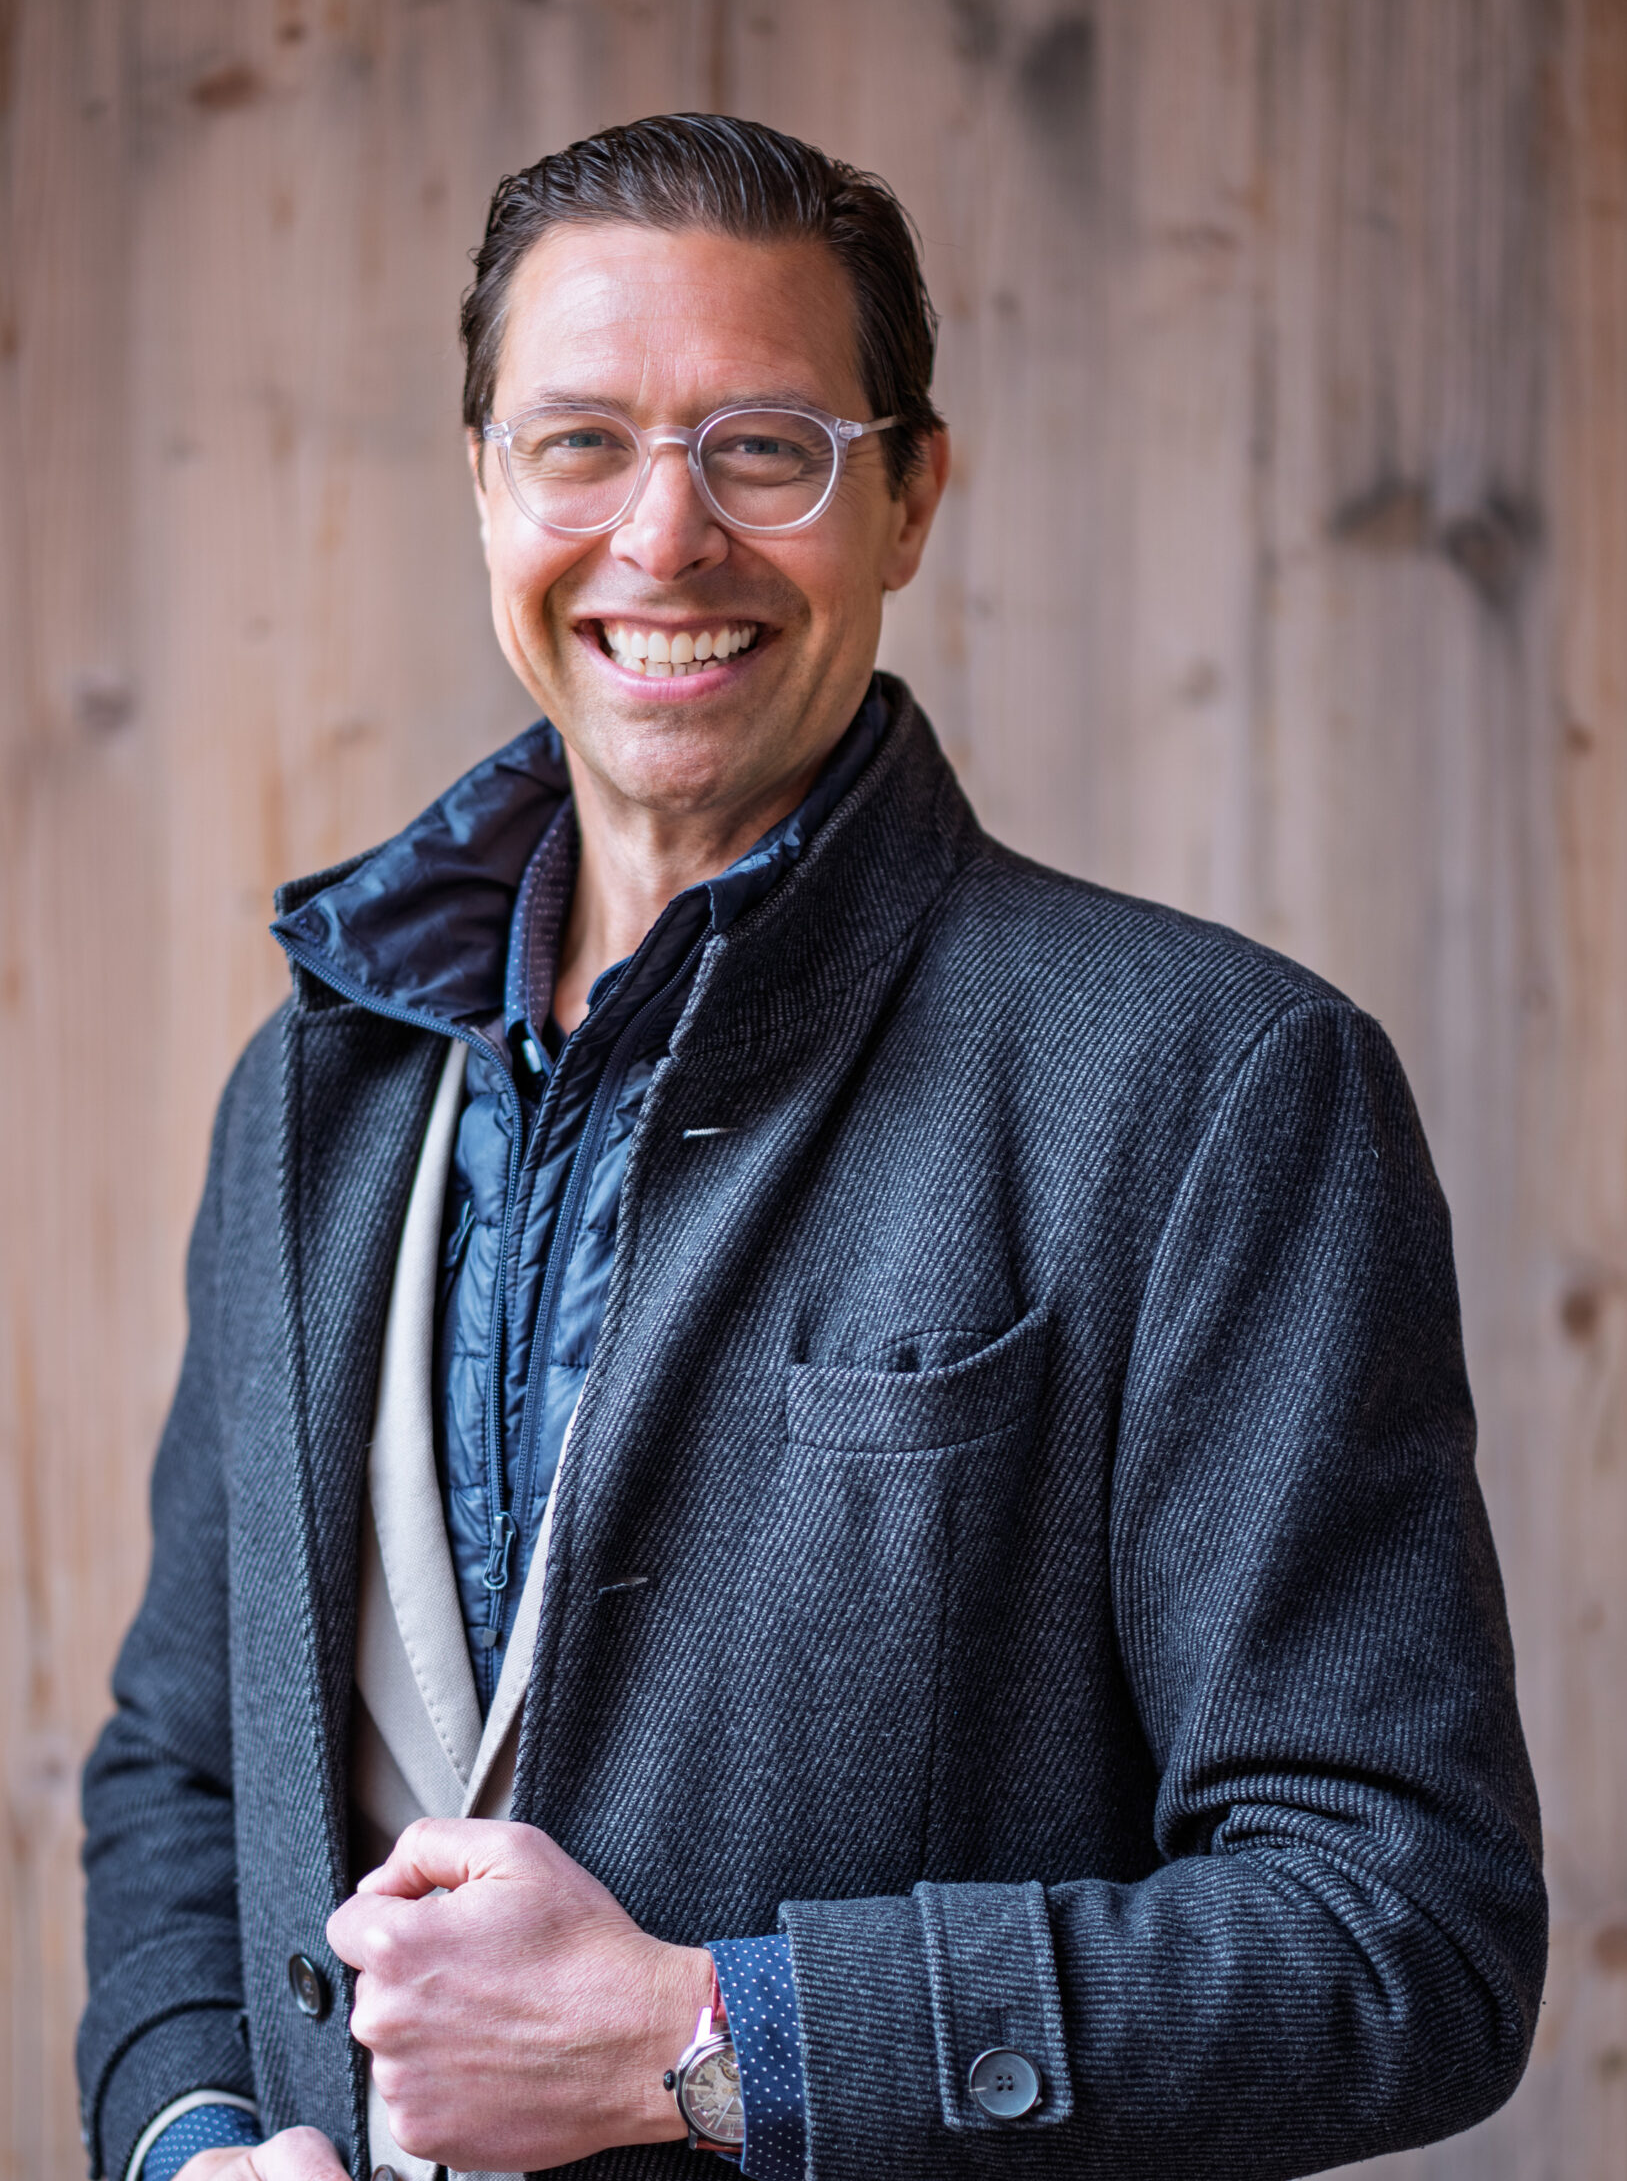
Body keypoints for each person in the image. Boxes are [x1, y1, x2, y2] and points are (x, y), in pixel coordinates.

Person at [78, 115, 1545, 2181]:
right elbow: (183, 1767)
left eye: (763, 448)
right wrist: (192, 2137)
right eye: (579, 444)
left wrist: (710, 2038)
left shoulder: (1214, 1087)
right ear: (485, 485)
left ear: (910, 496)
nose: (663, 537)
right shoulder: (313, 1096)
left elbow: (1403, 1936)